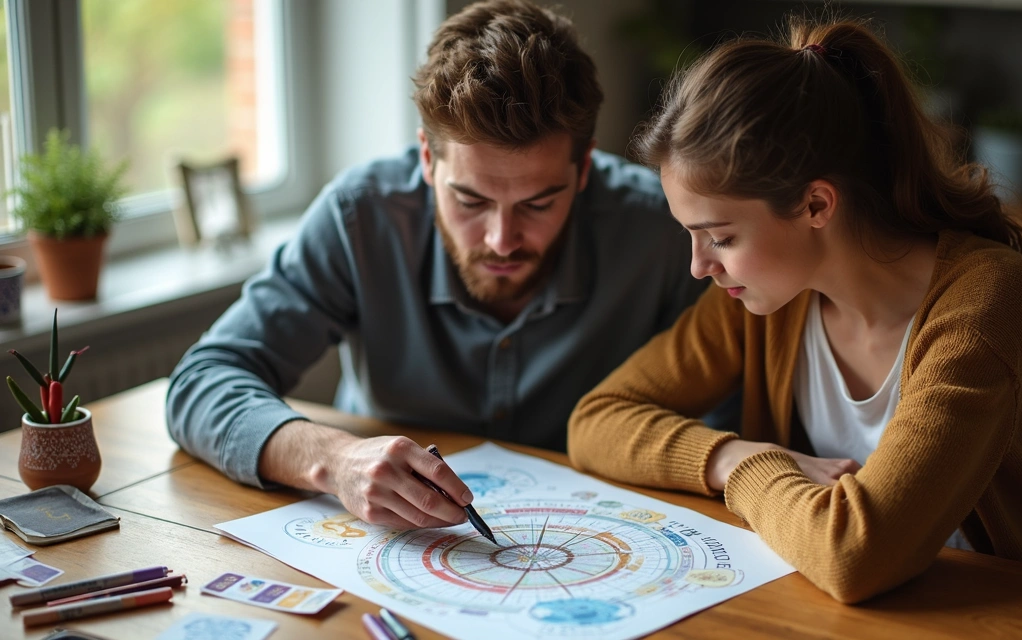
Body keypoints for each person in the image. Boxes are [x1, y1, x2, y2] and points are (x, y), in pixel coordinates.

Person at [568, 16, 1022, 604]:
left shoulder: (986, 306)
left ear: (815, 203)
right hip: (877, 605)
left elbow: (854, 553)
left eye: (721, 238)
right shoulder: (766, 294)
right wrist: (731, 454)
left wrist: (753, 475)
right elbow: (597, 420)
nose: (699, 266)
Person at [167, 0, 704, 533]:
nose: (501, 239)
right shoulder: (361, 217)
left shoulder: (663, 233)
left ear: (584, 169)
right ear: (428, 159)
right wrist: (336, 459)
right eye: (470, 201)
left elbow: (728, 418)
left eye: (538, 204)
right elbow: (202, 382)